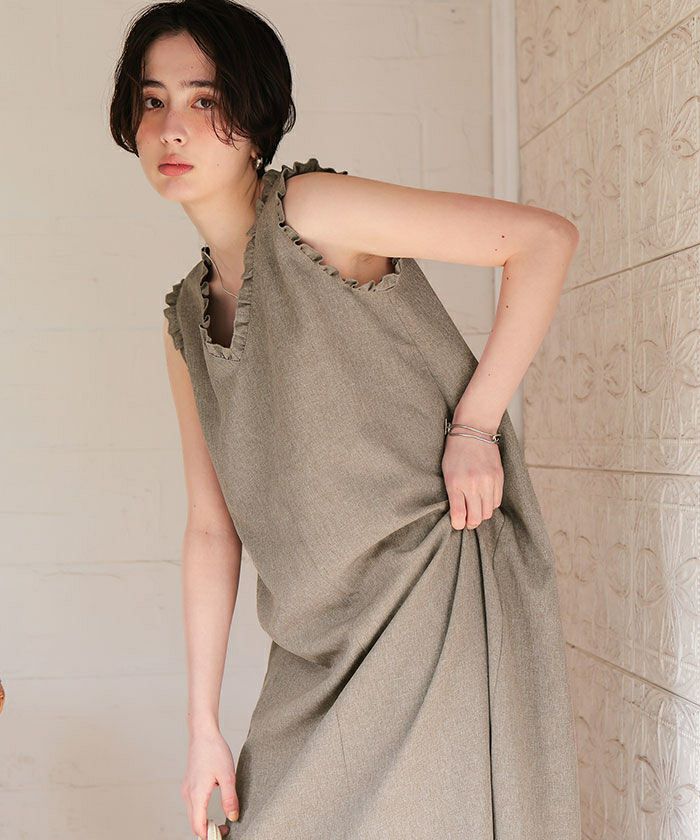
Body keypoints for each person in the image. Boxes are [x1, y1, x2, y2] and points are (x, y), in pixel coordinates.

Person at [110, 1, 582, 838]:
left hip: (431, 595)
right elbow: (213, 531)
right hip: (318, 647)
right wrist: (202, 727)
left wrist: (476, 427)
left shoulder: (312, 213)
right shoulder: (184, 320)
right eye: (153, 101)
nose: (172, 128)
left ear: (254, 117)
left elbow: (542, 240)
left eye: (204, 99)